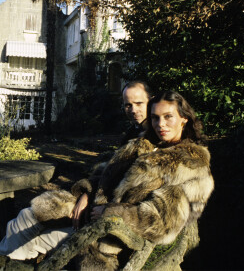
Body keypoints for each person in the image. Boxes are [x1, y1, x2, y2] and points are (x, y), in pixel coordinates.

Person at [0, 91, 214, 270]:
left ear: (184, 119)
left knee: (39, 240)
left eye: (168, 117)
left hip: (113, 235)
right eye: (156, 117)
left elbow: (158, 224)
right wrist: (86, 192)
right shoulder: (144, 143)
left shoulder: (190, 166)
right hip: (91, 210)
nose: (161, 124)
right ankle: (5, 261)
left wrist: (110, 213)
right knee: (25, 217)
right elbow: (105, 172)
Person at [121, 80, 152, 144]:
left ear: (151, 102)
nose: (133, 111)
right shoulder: (130, 134)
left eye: (139, 104)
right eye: (128, 105)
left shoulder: (160, 134)